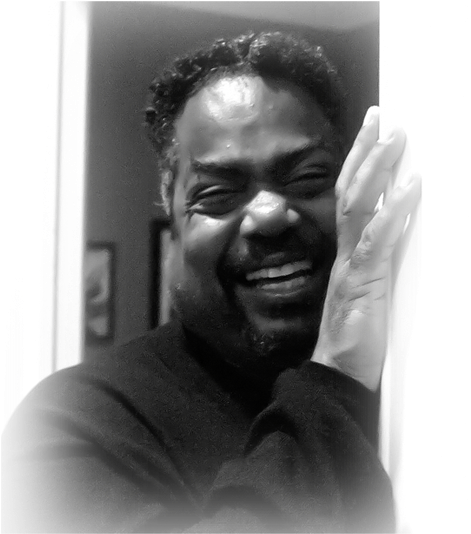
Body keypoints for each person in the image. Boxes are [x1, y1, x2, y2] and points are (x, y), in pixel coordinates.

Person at [1, 31, 421, 533]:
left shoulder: (425, 377)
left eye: (308, 178)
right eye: (218, 193)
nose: (269, 215)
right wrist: (338, 377)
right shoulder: (75, 428)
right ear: (173, 221)